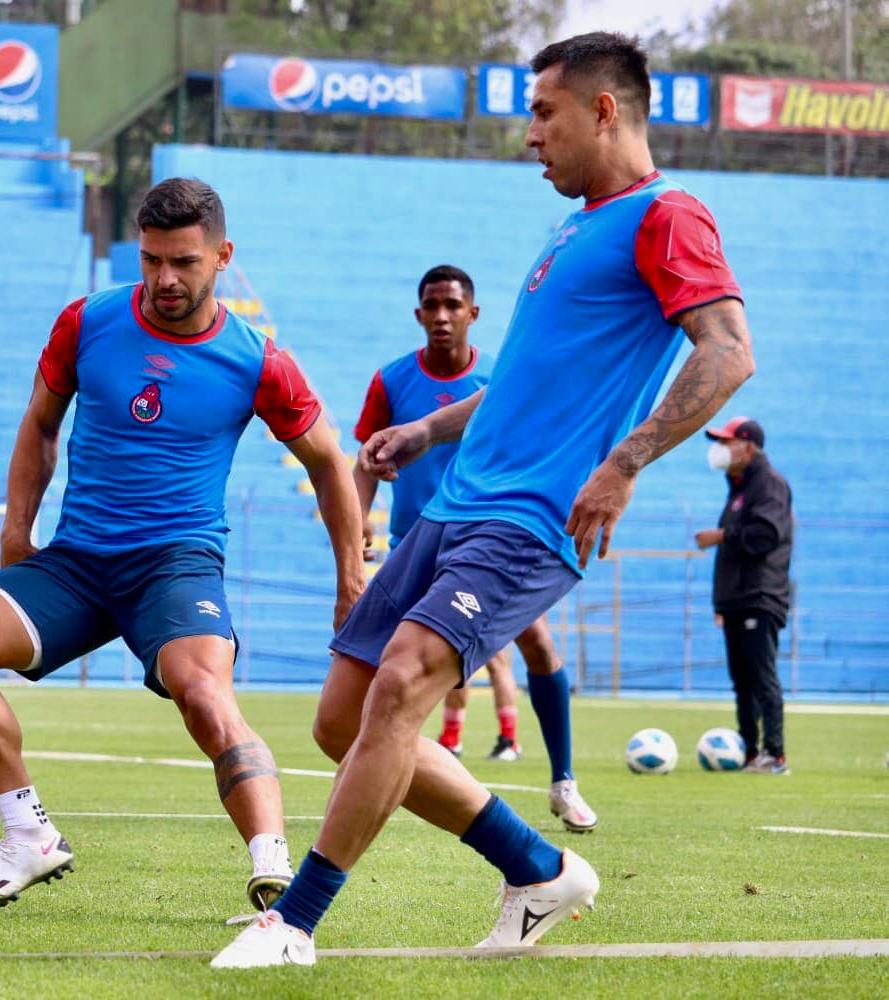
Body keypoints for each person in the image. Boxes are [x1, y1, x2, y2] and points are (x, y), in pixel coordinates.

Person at [215, 32, 752, 967]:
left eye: (543, 113)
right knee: (340, 724)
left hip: (529, 520)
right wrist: (427, 431)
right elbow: (525, 383)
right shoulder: (574, 227)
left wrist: (624, 463)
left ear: (603, 110)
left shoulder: (670, 215)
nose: (530, 135)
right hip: (456, 505)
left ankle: (293, 922)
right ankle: (538, 870)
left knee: (403, 685)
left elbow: (727, 351)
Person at [0, 178, 364, 914]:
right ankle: (26, 835)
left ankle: (274, 871)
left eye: (184, 262)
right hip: (78, 560)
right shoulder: (86, 322)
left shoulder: (257, 360)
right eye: (152, 259)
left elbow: (326, 460)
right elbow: (38, 425)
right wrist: (14, 533)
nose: (164, 279)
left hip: (176, 563)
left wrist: (350, 574)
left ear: (222, 257)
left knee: (204, 696)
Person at [350, 266, 597, 831]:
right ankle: (387, 771)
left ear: (472, 313)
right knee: (386, 667)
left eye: (452, 306)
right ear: (419, 314)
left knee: (536, 641)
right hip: (416, 541)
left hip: (489, 538)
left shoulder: (497, 377)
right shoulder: (390, 380)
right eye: (431, 306)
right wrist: (357, 523)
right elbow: (365, 457)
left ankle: (563, 781)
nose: (442, 316)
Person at [695, 416, 792, 774]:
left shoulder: (769, 484)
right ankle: (748, 750)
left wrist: (722, 536)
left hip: (761, 596)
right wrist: (722, 602)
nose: (720, 449)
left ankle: (775, 754)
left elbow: (766, 535)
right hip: (737, 599)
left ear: (748, 446)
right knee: (742, 680)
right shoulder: (738, 488)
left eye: (727, 441)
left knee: (761, 675)